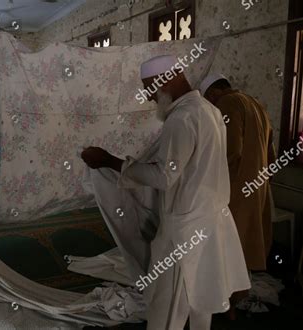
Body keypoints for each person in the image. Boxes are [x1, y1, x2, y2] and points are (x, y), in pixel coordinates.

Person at [80, 55, 250, 329]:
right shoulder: (210, 110)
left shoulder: (181, 118)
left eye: (150, 89)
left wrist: (110, 161)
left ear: (167, 81)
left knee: (166, 303)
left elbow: (164, 176)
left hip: (184, 228)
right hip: (209, 221)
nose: (149, 98)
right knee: (200, 296)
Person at [200, 74, 277, 318]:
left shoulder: (228, 104)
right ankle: (239, 295)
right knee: (245, 241)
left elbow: (230, 150)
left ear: (213, 94)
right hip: (258, 185)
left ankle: (227, 304)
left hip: (235, 187)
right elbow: (271, 152)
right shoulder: (257, 104)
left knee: (226, 244)